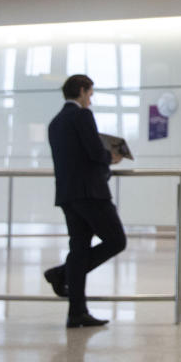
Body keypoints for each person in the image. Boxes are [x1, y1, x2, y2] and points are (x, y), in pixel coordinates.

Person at [46, 74, 128, 327]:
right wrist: (111, 156)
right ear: (81, 91)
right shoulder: (81, 116)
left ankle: (76, 312)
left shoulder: (55, 122)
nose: (90, 101)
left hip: (68, 194)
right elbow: (94, 151)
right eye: (90, 95)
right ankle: (60, 273)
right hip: (90, 193)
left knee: (79, 249)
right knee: (116, 240)